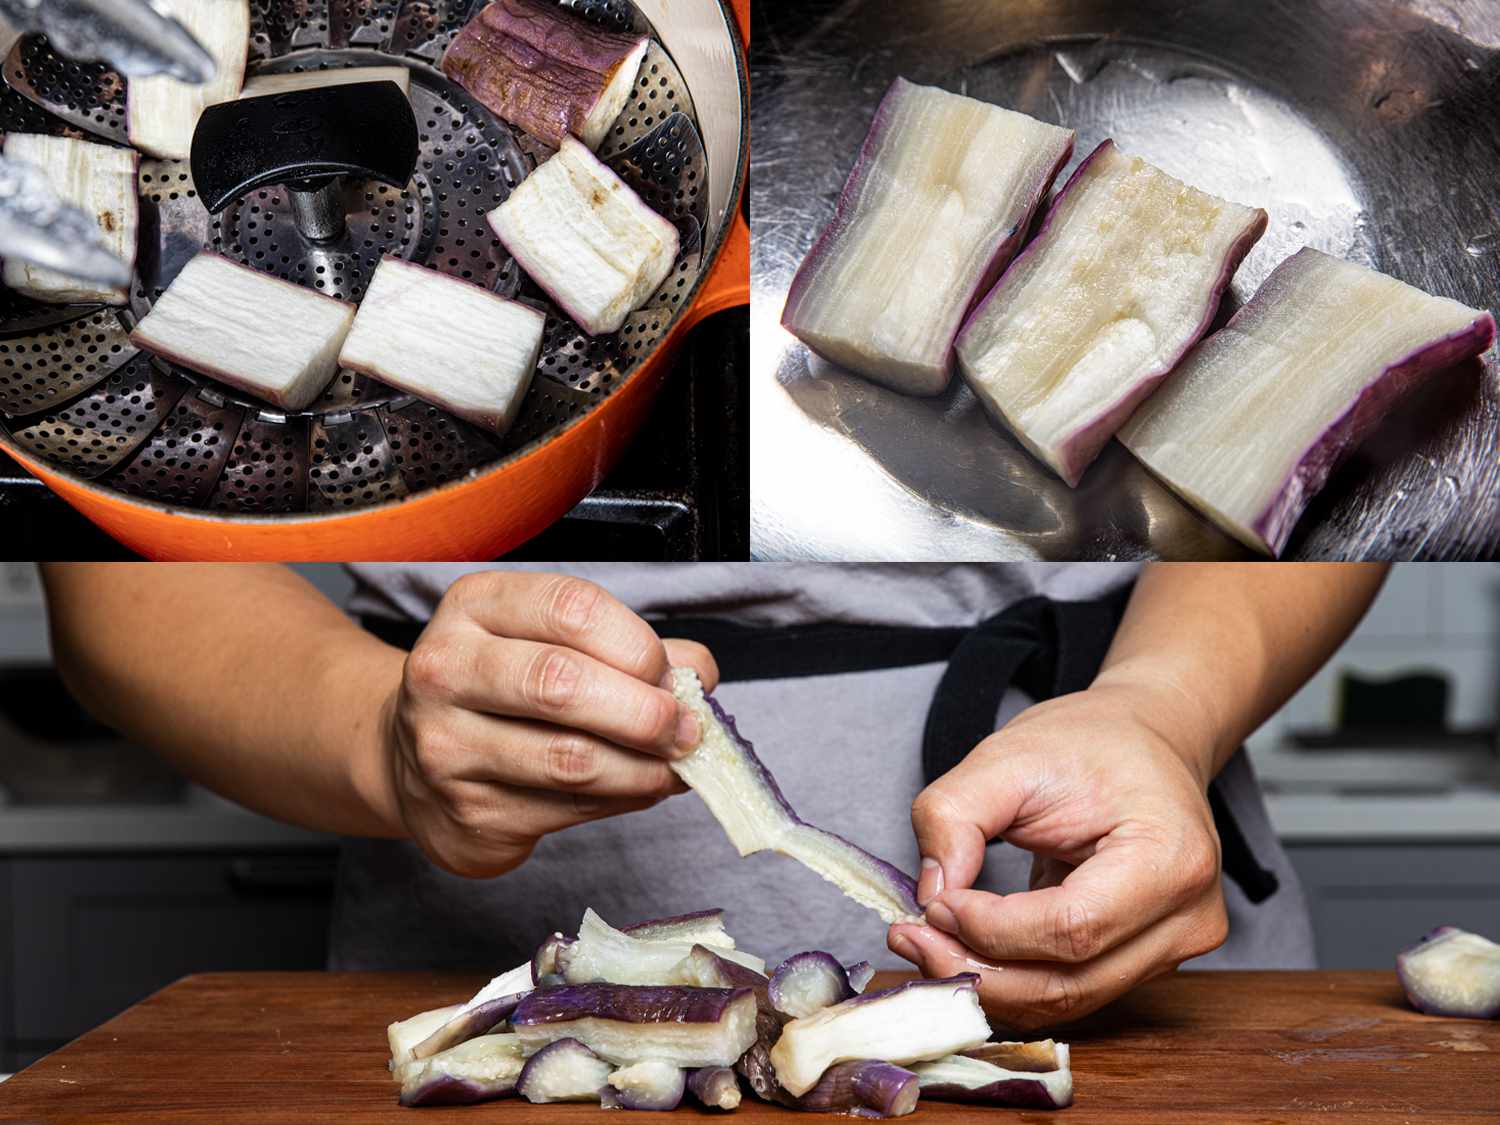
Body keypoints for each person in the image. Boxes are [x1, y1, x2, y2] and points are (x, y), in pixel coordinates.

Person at [40, 562, 1386, 1029]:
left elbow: (1317, 464)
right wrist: (380, 737)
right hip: (482, 955)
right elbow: (118, 591)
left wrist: (1163, 705)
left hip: (1130, 898)